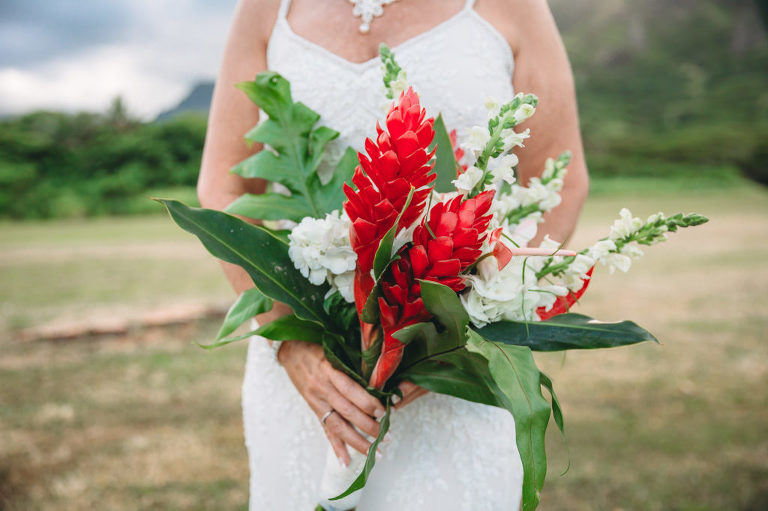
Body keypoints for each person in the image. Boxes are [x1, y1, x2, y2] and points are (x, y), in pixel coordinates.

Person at [197, 0, 589, 509]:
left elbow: (561, 180)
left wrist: (464, 329)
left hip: (452, 377)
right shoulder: (266, 8)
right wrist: (290, 341)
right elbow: (223, 186)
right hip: (308, 377)